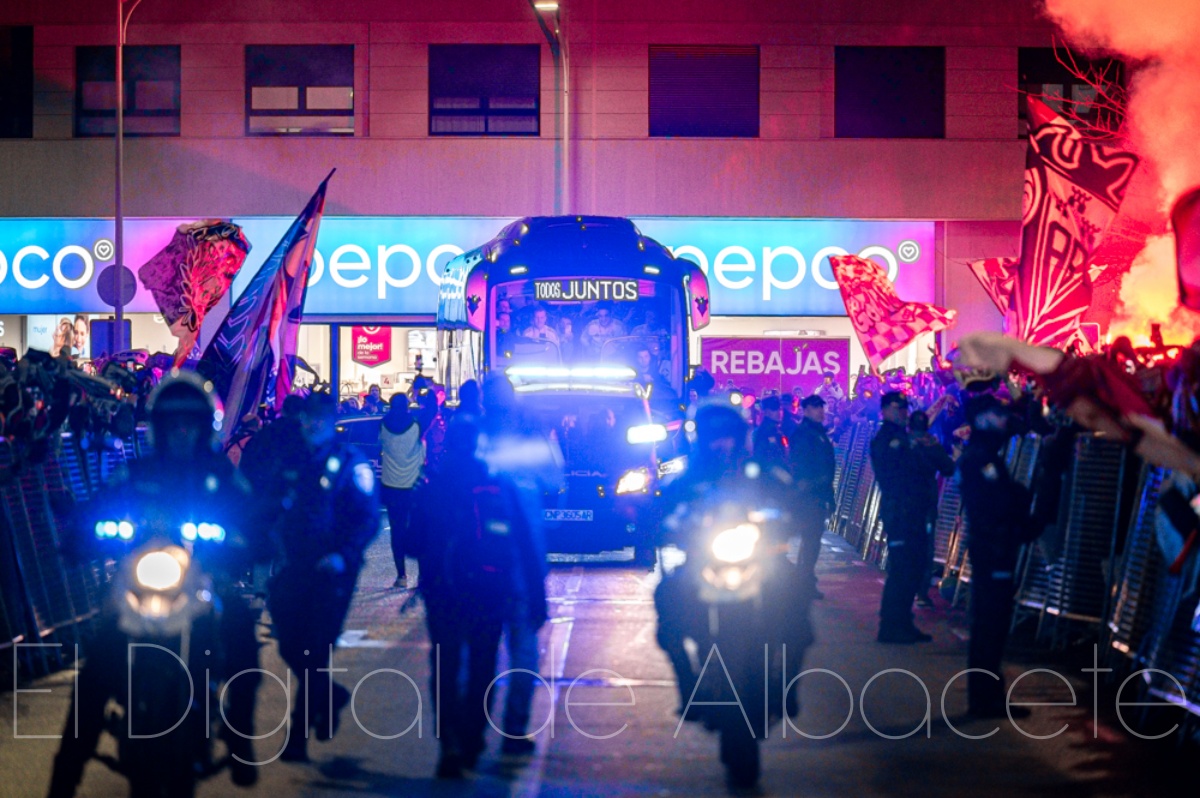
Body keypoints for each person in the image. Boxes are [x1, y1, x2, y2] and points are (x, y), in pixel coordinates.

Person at [47, 373, 267, 797]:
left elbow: (252, 517)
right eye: (173, 422)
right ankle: (65, 775)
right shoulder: (134, 473)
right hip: (139, 579)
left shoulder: (220, 474)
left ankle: (241, 740)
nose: (181, 431)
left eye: (190, 422)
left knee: (241, 632)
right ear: (160, 426)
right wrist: (80, 533)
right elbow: (98, 508)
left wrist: (251, 541)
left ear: (203, 427)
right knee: (96, 667)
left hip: (202, 580)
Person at [409, 418, 547, 777]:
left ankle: (449, 744)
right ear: (477, 445)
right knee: (483, 665)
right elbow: (523, 543)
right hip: (489, 588)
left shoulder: (433, 485)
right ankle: (473, 737)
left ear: (448, 445)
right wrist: (537, 595)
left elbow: (410, 543)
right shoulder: (496, 484)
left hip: (443, 591)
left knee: (446, 667)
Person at [260, 392, 379, 762]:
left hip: (332, 572)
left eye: (320, 419)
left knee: (314, 651)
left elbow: (367, 519)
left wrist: (344, 555)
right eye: (308, 418)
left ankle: (297, 738)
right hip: (295, 567)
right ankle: (330, 697)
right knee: (289, 645)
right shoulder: (291, 460)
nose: (313, 425)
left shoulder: (350, 464)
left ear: (331, 422)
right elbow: (268, 506)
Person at [476, 373, 564, 753]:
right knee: (522, 649)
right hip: (517, 561)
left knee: (482, 651)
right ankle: (512, 729)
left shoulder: (473, 437)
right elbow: (555, 481)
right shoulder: (532, 438)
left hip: (483, 563)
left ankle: (474, 733)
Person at [956, 395, 1036, 718]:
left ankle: (986, 696)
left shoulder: (983, 454)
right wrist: (1019, 500)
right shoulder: (980, 458)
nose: (1003, 419)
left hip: (992, 546)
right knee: (990, 624)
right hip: (993, 547)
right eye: (997, 414)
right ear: (982, 419)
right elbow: (996, 504)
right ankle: (985, 699)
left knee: (990, 624)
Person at [870, 391, 933, 643]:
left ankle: (904, 622)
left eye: (905, 408)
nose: (903, 413)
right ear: (885, 410)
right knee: (901, 569)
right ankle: (890, 626)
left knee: (914, 567)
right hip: (899, 510)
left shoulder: (903, 437)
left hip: (913, 509)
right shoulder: (886, 439)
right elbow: (895, 476)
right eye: (898, 408)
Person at [908, 409, 956, 607]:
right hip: (926, 503)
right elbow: (949, 468)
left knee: (904, 545)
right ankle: (921, 593)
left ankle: (902, 587)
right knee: (925, 549)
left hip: (905, 502)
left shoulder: (903, 442)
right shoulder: (932, 445)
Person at [790, 395, 835, 598]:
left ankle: (804, 581)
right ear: (806, 410)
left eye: (821, 407)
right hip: (810, 496)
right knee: (810, 541)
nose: (820, 411)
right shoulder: (804, 433)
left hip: (818, 493)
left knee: (812, 541)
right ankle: (803, 583)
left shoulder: (817, 432)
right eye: (816, 407)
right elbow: (802, 467)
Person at [380, 394, 425, 589]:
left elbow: (379, 444)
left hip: (391, 486)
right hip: (413, 486)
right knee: (419, 529)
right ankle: (422, 576)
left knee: (396, 531)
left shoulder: (383, 424)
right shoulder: (416, 425)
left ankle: (401, 576)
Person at [752, 395, 789, 473]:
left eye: (780, 408)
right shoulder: (762, 433)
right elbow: (760, 459)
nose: (779, 412)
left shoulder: (778, 430)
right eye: (774, 409)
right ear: (766, 412)